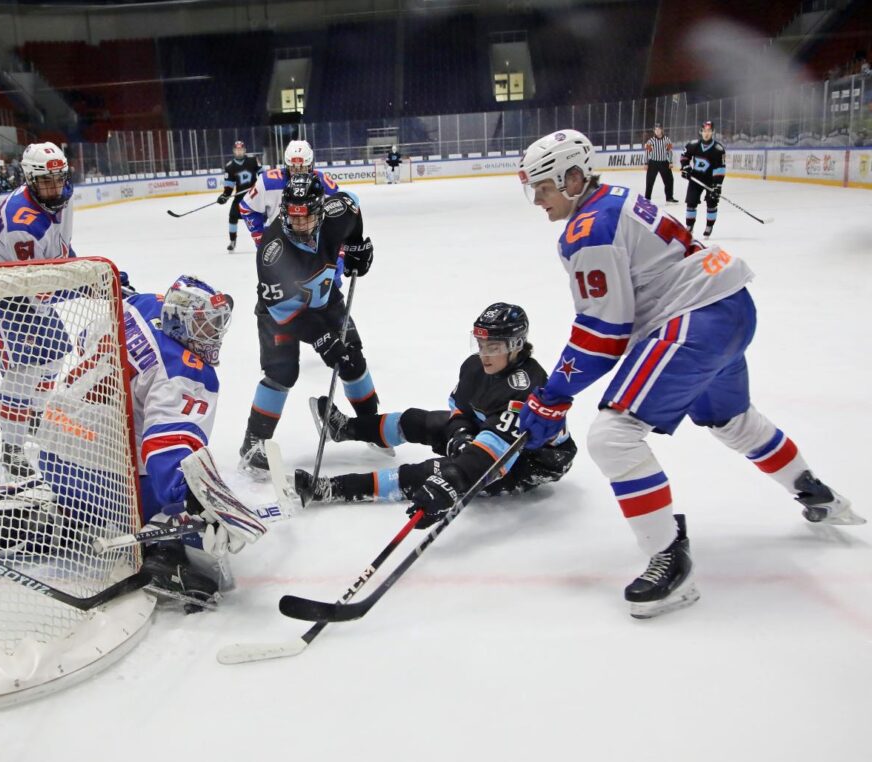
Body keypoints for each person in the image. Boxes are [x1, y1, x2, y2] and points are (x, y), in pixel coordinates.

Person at [515, 129, 863, 620]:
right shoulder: (614, 198)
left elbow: (605, 331)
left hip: (695, 320)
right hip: (731, 307)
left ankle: (669, 560)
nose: (537, 200)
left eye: (545, 188)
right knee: (733, 420)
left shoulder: (586, 229)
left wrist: (553, 396)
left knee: (614, 437)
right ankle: (815, 492)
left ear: (573, 178)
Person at [30, 275, 242, 607]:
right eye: (202, 326)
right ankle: (161, 556)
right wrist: (193, 502)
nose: (211, 335)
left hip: (54, 446)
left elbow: (84, 338)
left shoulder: (140, 303)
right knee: (191, 521)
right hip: (103, 477)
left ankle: (70, 514)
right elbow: (165, 451)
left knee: (127, 434)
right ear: (178, 320)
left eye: (214, 326)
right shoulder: (186, 371)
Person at [297, 303, 577, 528]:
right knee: (417, 421)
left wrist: (453, 480)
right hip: (491, 435)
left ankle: (331, 488)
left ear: (516, 345)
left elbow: (492, 458)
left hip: (529, 460)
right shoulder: (475, 367)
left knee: (426, 474)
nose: (485, 355)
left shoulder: (525, 387)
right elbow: (461, 410)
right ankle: (345, 429)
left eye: (494, 347)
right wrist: (460, 432)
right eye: (481, 345)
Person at [240, 172, 379, 473]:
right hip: (280, 313)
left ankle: (371, 424)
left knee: (351, 357)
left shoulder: (336, 212)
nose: (299, 225)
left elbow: (353, 208)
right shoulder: (272, 253)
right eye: (293, 218)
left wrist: (356, 246)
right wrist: (321, 338)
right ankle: (254, 441)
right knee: (282, 372)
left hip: (325, 297)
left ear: (320, 210)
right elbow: (283, 313)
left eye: (306, 218)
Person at [0, 141, 76, 478]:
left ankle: (33, 414)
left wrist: (82, 271)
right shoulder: (24, 223)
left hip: (31, 286)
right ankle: (12, 448)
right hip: (2, 293)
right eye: (47, 182)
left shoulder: (61, 197)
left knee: (54, 356)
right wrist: (87, 284)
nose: (55, 188)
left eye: (59, 179)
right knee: (22, 373)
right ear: (30, 179)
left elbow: (60, 250)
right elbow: (39, 292)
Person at [238, 140, 343, 244]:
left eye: (302, 167)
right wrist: (259, 236)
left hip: (314, 243)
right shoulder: (267, 182)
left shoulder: (323, 182)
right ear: (286, 165)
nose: (297, 172)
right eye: (293, 167)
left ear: (311, 164)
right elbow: (246, 208)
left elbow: (341, 215)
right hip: (278, 242)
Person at [680, 120, 726, 237]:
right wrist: (686, 168)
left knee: (712, 203)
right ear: (701, 131)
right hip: (695, 178)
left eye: (709, 131)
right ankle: (689, 226)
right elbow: (684, 156)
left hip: (711, 180)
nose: (706, 133)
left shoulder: (718, 149)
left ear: (713, 132)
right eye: (704, 131)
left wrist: (717, 186)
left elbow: (720, 169)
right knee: (691, 202)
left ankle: (709, 226)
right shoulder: (693, 145)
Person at [216, 140, 260, 252]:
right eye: (237, 150)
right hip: (240, 197)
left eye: (241, 150)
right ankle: (232, 241)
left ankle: (264, 240)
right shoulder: (230, 166)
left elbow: (262, 175)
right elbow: (229, 187)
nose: (239, 152)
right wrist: (224, 196)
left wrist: (260, 183)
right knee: (232, 217)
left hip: (254, 195)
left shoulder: (253, 160)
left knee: (262, 218)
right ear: (234, 151)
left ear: (245, 150)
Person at [643, 123, 676, 204]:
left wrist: (671, 162)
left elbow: (670, 152)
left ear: (661, 130)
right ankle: (647, 199)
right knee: (649, 181)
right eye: (655, 130)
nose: (657, 131)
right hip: (653, 163)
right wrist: (646, 163)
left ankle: (669, 197)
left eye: (658, 129)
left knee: (669, 180)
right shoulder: (650, 141)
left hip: (664, 163)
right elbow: (647, 152)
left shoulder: (667, 140)